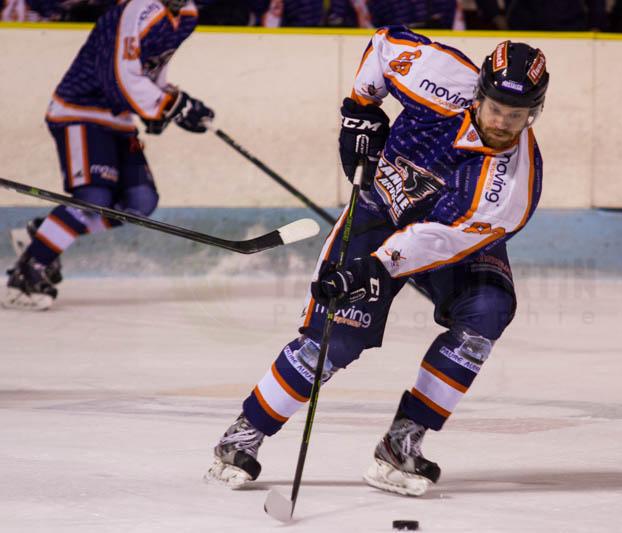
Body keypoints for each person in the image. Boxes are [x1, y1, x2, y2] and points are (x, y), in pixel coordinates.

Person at [205, 26, 548, 497]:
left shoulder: (511, 187)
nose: (503, 123)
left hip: (452, 241)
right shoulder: (441, 76)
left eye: (517, 115)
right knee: (335, 339)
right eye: (496, 108)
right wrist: (360, 110)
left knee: (487, 311)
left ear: (534, 113)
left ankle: (401, 442)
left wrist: (372, 267)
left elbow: (438, 241)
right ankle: (242, 437)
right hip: (377, 212)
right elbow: (385, 45)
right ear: (478, 94)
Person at [3, 0, 214, 311]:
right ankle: (26, 275)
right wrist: (167, 105)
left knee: (140, 202)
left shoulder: (186, 15)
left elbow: (152, 66)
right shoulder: (139, 8)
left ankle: (44, 234)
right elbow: (120, 75)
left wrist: (169, 102)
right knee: (93, 198)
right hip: (79, 111)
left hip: (119, 120)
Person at [326, 0, 465, 30]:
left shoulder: (444, 3)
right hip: (397, 54)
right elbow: (375, 33)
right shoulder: (382, 4)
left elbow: (455, 32)